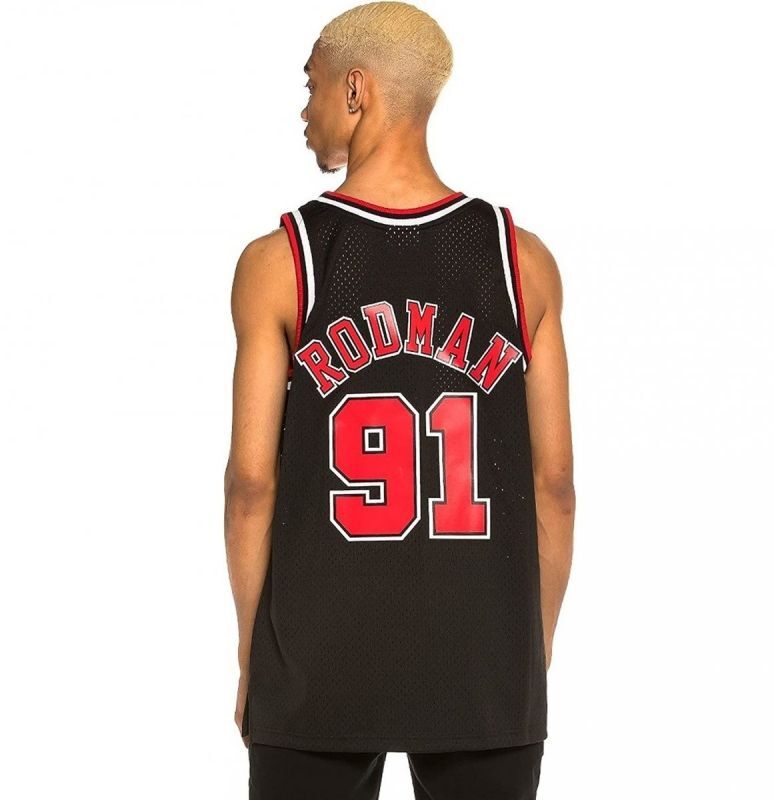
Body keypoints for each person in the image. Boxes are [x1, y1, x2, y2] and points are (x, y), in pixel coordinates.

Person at [224, 3, 575, 797]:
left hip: (315, 663)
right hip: (483, 657)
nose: (303, 111)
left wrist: (253, 655)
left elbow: (250, 484)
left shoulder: (281, 261)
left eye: (311, 86)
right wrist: (530, 651)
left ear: (355, 91)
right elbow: (555, 485)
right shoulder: (521, 260)